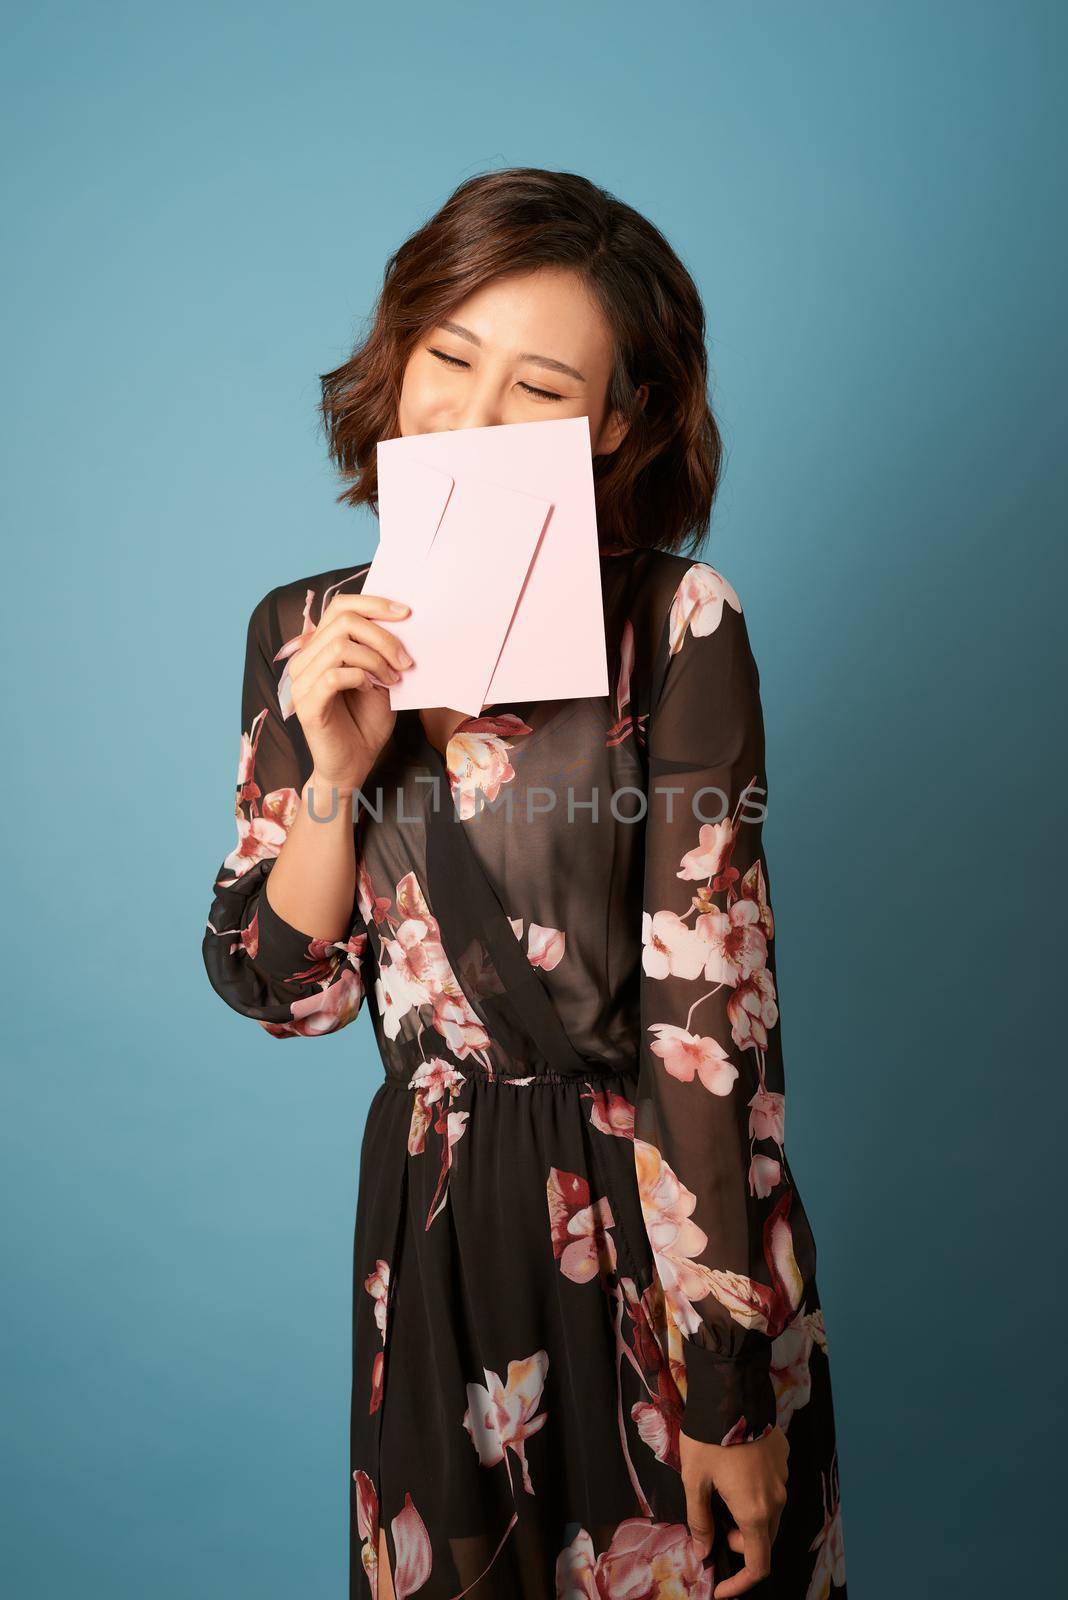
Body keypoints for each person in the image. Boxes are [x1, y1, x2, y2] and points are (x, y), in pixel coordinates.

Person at [201, 168, 847, 1600]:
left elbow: (708, 1017)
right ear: (398, 355)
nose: (473, 416)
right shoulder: (301, 632)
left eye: (539, 385)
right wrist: (332, 773)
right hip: (432, 1234)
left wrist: (725, 1376)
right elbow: (279, 989)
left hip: (670, 1230)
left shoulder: (683, 622)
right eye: (449, 357)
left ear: (614, 423)